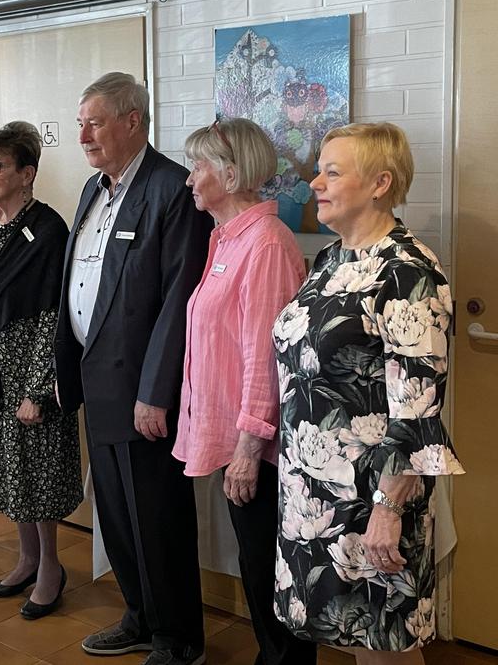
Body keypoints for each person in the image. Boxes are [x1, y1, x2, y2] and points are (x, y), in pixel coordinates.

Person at [272, 123, 464, 664]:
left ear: (381, 183)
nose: (315, 183)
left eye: (332, 173)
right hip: (316, 489)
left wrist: (388, 508)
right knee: (355, 636)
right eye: (318, 171)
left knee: (386, 643)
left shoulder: (407, 272)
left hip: (373, 495)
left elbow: (418, 412)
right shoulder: (332, 259)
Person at [54, 72, 213, 665]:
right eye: (80, 124)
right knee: (118, 517)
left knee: (157, 518)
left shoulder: (171, 189)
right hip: (98, 381)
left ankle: (179, 639)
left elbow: (178, 300)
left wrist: (156, 391)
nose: (83, 136)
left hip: (144, 391)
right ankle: (141, 617)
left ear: (132, 121)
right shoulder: (94, 188)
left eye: (94, 123)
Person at [173, 119, 316, 665]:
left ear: (230, 175)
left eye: (197, 167)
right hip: (236, 436)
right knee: (258, 569)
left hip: (258, 447)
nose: (189, 179)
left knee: (270, 574)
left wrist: (248, 448)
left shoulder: (266, 243)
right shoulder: (227, 237)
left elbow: (265, 357)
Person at [0, 121, 82, 619]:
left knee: (36, 472)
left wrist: (38, 389)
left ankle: (50, 567)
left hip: (28, 369)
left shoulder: (48, 230)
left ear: (27, 174)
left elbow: (54, 315)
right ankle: (26, 559)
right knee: (10, 471)